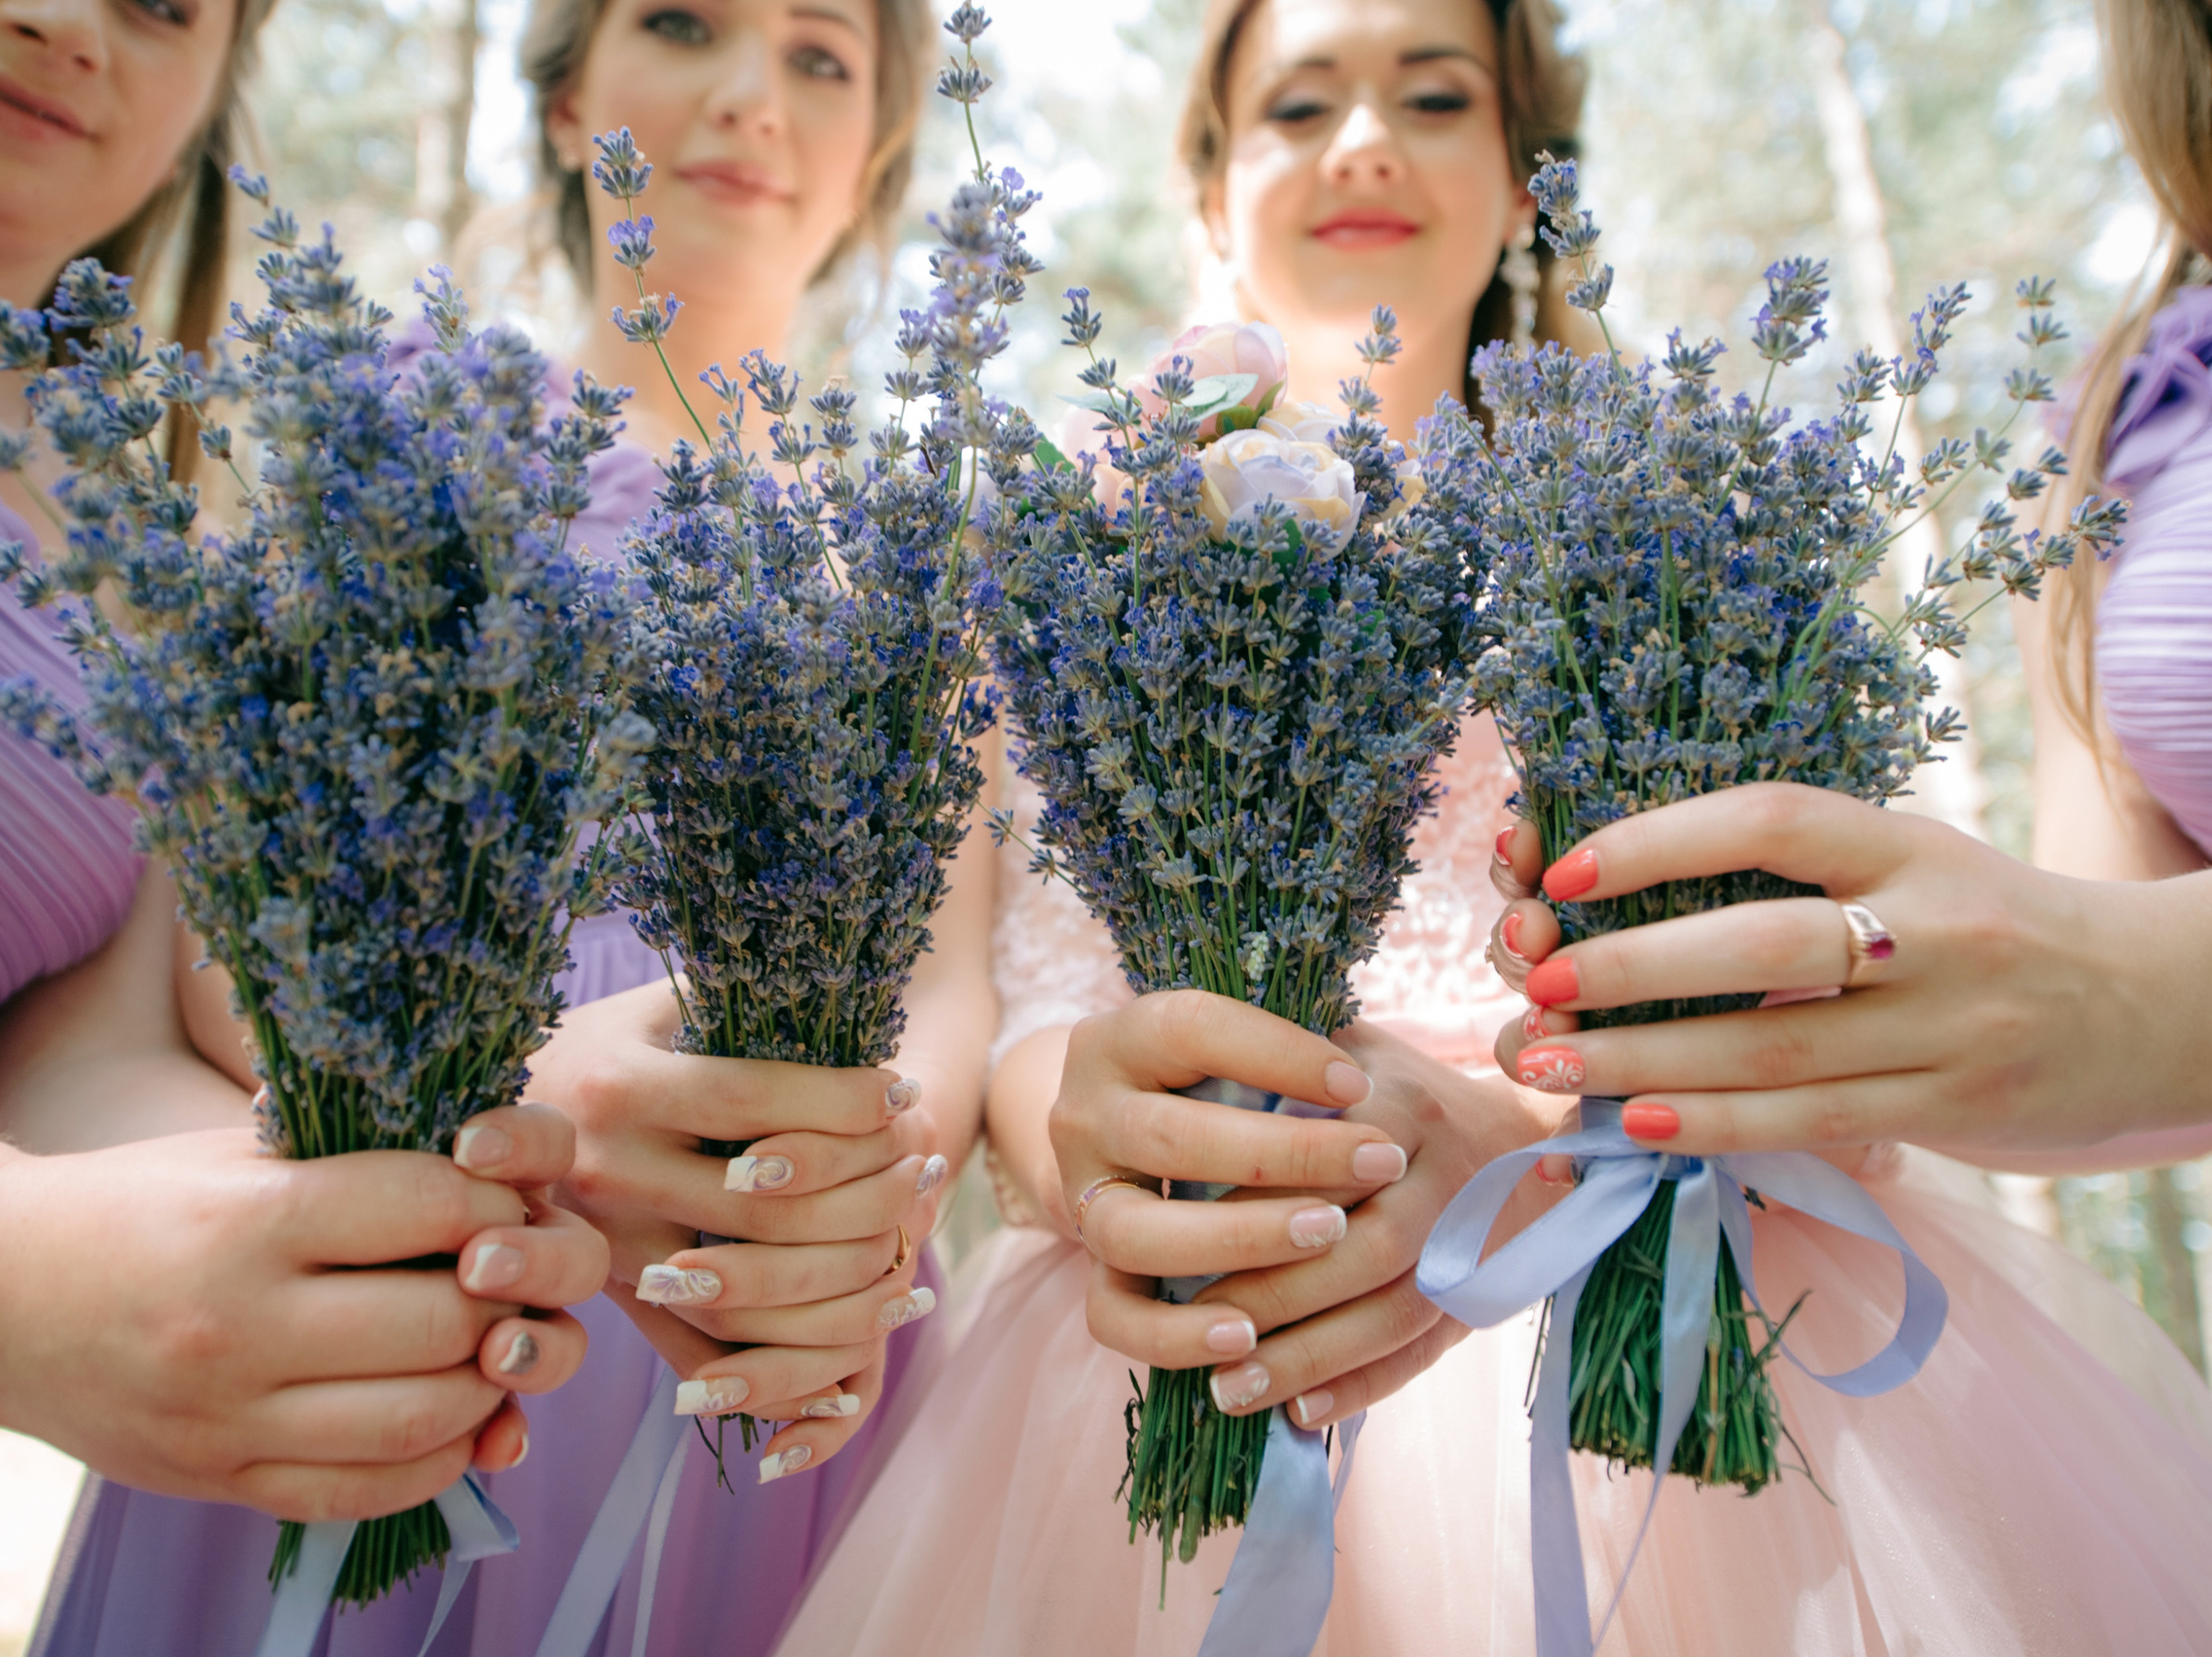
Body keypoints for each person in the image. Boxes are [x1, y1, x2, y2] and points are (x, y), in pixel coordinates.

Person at [779, 0, 2212, 1651]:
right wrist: (1113, 1163)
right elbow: (1027, 1003)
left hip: (1654, 1274)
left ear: (1528, 184)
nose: (1364, 142)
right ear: (1212, 186)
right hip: (1200, 1298)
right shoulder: (1075, 538)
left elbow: (1802, 958)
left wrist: (1538, 1143)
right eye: (1299, 106)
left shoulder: (1673, 531)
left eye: (1435, 97)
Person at [30, 4, 997, 1655]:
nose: (752, 99)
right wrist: (494, 1108)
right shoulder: (406, 441)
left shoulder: (900, 543)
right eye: (681, 22)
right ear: (564, 103)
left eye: (822, 56)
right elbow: (229, 910)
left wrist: (844, 1183)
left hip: (754, 1314)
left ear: (883, 150)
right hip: (388, 1254)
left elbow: (952, 969)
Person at [0, 1, 613, 1653]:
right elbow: (4, 1231)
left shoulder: (147, 540)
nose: (64, 22)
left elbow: (86, 1053)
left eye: (163, 2)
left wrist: (340, 1237)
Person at [1481, 0, 2212, 1172]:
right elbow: (2093, 1071)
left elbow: (2101, 987)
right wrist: (1800, 1019)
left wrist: (2117, 982)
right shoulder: (2121, 429)